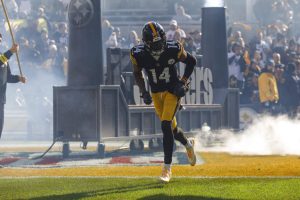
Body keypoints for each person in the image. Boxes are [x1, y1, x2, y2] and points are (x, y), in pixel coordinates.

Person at [130, 22, 197, 182]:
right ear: (146, 44)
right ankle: (188, 144)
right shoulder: (138, 53)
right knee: (172, 130)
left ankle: (166, 169)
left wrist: (183, 81)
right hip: (155, 93)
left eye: (161, 42)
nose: (160, 46)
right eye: (155, 44)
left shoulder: (173, 48)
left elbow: (192, 61)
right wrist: (143, 91)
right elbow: (137, 73)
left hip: (172, 90)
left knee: (165, 125)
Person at [0, 33, 26, 139]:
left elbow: (8, 77)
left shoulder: (3, 57)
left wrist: (18, 78)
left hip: (1, 97)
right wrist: (11, 51)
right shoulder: (3, 57)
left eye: (0, 39)